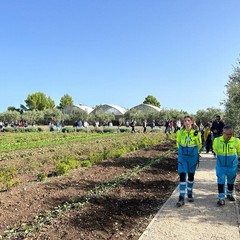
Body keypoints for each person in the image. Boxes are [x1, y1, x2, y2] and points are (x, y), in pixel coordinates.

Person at [176, 115, 202, 207]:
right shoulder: (180, 132)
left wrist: (194, 153)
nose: (187, 122)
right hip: (182, 157)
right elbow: (178, 143)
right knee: (182, 175)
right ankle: (181, 197)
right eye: (185, 121)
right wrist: (182, 152)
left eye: (188, 120)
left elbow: (199, 145)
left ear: (191, 122)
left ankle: (190, 194)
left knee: (191, 176)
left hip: (192, 157)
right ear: (183, 123)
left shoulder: (196, 133)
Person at [212, 125, 240, 206]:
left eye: (231, 134)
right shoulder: (217, 141)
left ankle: (229, 194)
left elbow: (238, 152)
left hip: (232, 165)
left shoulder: (237, 141)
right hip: (221, 165)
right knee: (221, 180)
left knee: (231, 180)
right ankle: (221, 198)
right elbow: (215, 150)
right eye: (228, 134)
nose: (230, 136)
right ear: (223, 133)